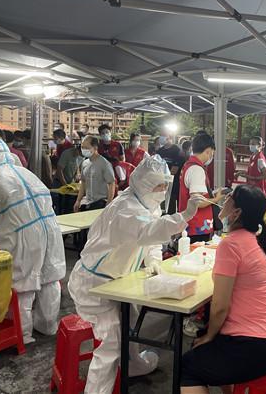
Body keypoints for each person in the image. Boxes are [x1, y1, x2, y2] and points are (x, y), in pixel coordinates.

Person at [68, 155, 203, 394]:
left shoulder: (147, 203)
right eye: (158, 186)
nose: (162, 191)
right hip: (94, 284)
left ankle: (133, 365)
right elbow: (148, 230)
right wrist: (184, 216)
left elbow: (151, 239)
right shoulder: (125, 208)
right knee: (111, 342)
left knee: (130, 323)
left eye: (165, 185)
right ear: (144, 183)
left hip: (118, 280)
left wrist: (154, 260)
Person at [181, 184, 266, 394]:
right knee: (209, 343)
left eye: (229, 199)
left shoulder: (231, 245)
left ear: (237, 212)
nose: (224, 202)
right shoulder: (256, 239)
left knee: (187, 367)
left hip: (253, 346)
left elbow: (220, 307)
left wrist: (209, 336)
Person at [0, 139, 65, 344]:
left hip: (25, 235)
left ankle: (23, 335)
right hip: (51, 230)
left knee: (24, 284)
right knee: (50, 277)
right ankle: (48, 326)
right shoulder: (27, 173)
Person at [178, 133, 224, 242]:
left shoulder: (188, 165)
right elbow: (197, 202)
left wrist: (211, 193)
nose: (211, 157)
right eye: (212, 153)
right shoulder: (197, 170)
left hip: (191, 223)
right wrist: (216, 199)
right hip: (197, 226)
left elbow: (195, 193)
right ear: (208, 150)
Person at [74, 136, 115, 213]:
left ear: (95, 148)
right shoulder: (84, 163)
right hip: (87, 201)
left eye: (87, 147)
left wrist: (108, 204)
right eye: (82, 147)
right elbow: (83, 183)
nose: (83, 149)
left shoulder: (104, 163)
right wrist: (78, 200)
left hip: (100, 202)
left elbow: (111, 184)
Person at [56, 145, 84, 214]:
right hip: (60, 182)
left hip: (71, 182)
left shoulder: (82, 157)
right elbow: (59, 170)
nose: (81, 156)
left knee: (69, 204)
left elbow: (79, 168)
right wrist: (65, 185)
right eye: (80, 154)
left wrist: (77, 175)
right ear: (77, 150)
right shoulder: (66, 154)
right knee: (60, 204)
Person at [168, 140, 191, 215]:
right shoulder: (179, 158)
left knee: (182, 209)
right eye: (190, 150)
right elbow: (173, 172)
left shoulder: (188, 160)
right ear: (187, 149)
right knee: (172, 209)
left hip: (184, 187)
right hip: (176, 186)